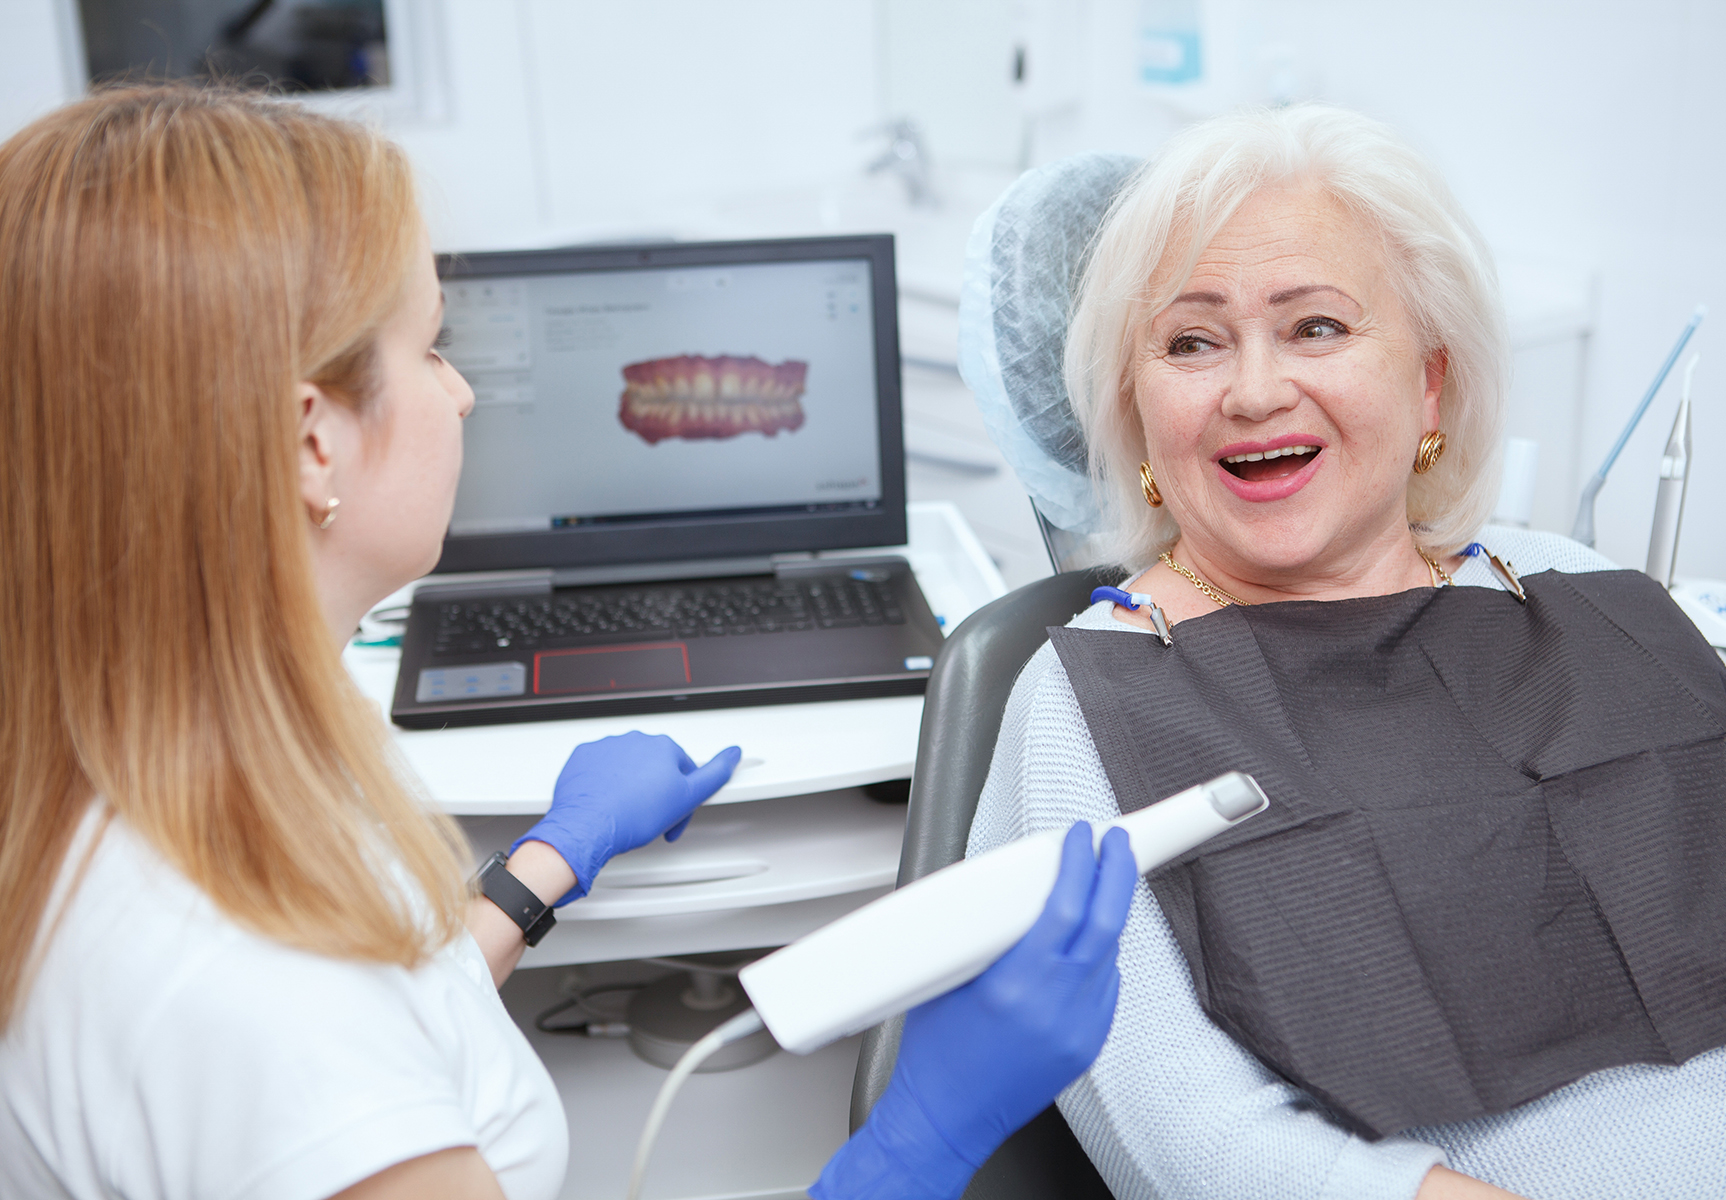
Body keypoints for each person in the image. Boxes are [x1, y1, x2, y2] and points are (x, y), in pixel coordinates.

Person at [0, 85, 1137, 1200]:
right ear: (311, 442)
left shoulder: (163, 777)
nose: (461, 398)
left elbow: (395, 1022)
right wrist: (926, 1134)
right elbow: (318, 1043)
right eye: (432, 349)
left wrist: (547, 863)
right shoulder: (261, 995)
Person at [967, 104, 1726, 1200]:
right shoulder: (1103, 692)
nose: (1256, 389)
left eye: (1317, 326)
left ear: (1429, 385)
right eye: (1192, 341)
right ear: (1136, 415)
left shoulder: (1586, 590)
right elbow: (1189, 1139)